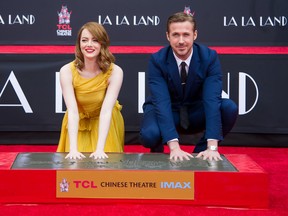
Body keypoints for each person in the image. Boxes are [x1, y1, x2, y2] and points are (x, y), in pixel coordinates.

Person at [140, 11, 238, 161]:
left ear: (195, 35)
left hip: (195, 111)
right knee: (149, 135)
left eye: (186, 34)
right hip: (169, 110)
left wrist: (212, 147)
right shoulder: (157, 60)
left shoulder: (209, 57)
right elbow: (162, 103)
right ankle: (157, 151)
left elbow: (212, 100)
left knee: (229, 108)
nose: (181, 41)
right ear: (168, 36)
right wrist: (174, 147)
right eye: (175, 35)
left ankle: (200, 152)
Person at [57, 22, 124, 160]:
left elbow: (106, 111)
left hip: (105, 121)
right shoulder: (66, 71)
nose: (89, 45)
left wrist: (100, 149)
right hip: (77, 122)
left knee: (106, 165)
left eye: (95, 40)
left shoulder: (115, 72)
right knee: (74, 164)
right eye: (84, 40)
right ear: (79, 44)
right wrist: (73, 149)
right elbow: (73, 111)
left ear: (102, 44)